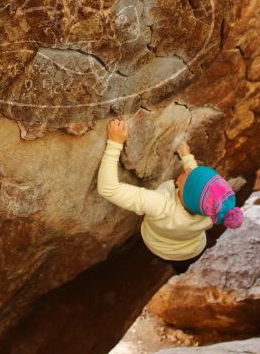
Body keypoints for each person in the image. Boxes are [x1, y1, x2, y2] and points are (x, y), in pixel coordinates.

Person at [97, 118, 243, 275]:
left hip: (163, 249)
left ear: (185, 192)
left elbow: (108, 189)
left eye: (189, 175)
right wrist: (187, 158)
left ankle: (178, 270)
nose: (188, 170)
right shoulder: (212, 212)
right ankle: (180, 271)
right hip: (194, 248)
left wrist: (114, 143)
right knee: (182, 266)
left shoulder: (161, 205)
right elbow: (200, 190)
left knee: (176, 263)